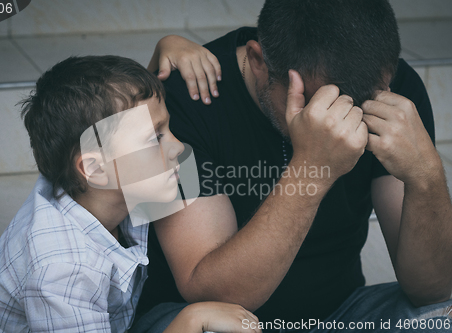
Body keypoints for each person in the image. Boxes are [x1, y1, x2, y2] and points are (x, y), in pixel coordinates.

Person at [133, 0, 452, 332]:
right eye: (318, 101)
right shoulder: (180, 101)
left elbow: (433, 289)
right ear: (258, 61)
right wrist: (313, 169)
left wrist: (425, 174)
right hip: (205, 319)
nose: (342, 121)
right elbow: (210, 292)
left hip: (340, 314)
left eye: (362, 104)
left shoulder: (397, 93)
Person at [0, 52, 262, 333]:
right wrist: (191, 321)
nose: (178, 147)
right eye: (155, 138)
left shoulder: (102, 186)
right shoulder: (63, 269)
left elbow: (122, 112)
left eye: (167, 129)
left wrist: (166, 47)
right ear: (94, 169)